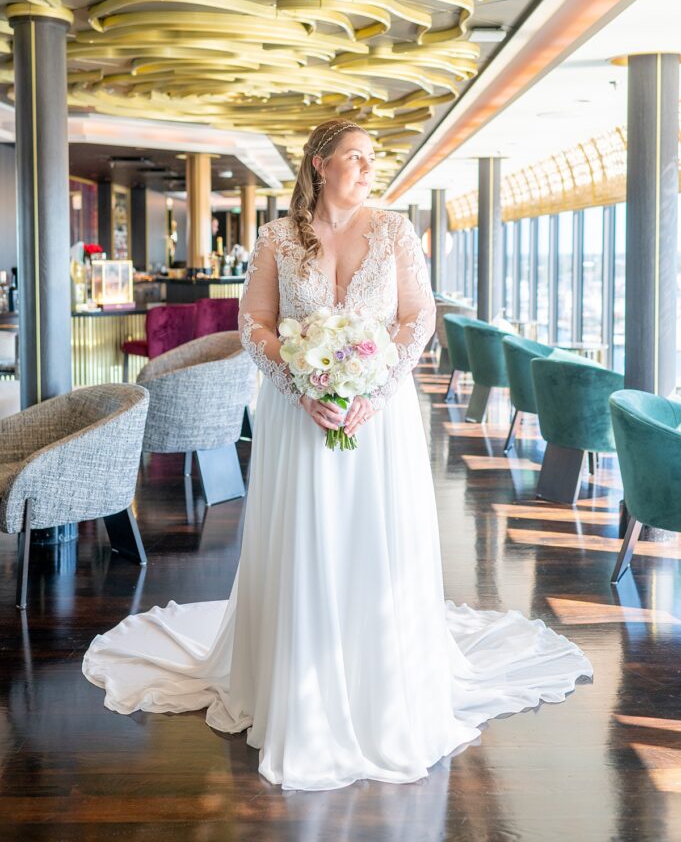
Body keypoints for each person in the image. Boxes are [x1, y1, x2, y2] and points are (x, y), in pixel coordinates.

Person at [82, 119, 592, 792]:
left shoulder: (395, 231)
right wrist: (300, 384)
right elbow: (253, 325)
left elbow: (417, 317)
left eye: (371, 158)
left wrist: (375, 390)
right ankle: (297, 682)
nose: (366, 166)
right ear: (320, 164)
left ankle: (379, 675)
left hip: (377, 417)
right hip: (299, 417)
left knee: (372, 538)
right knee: (307, 538)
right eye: (354, 156)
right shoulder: (276, 237)